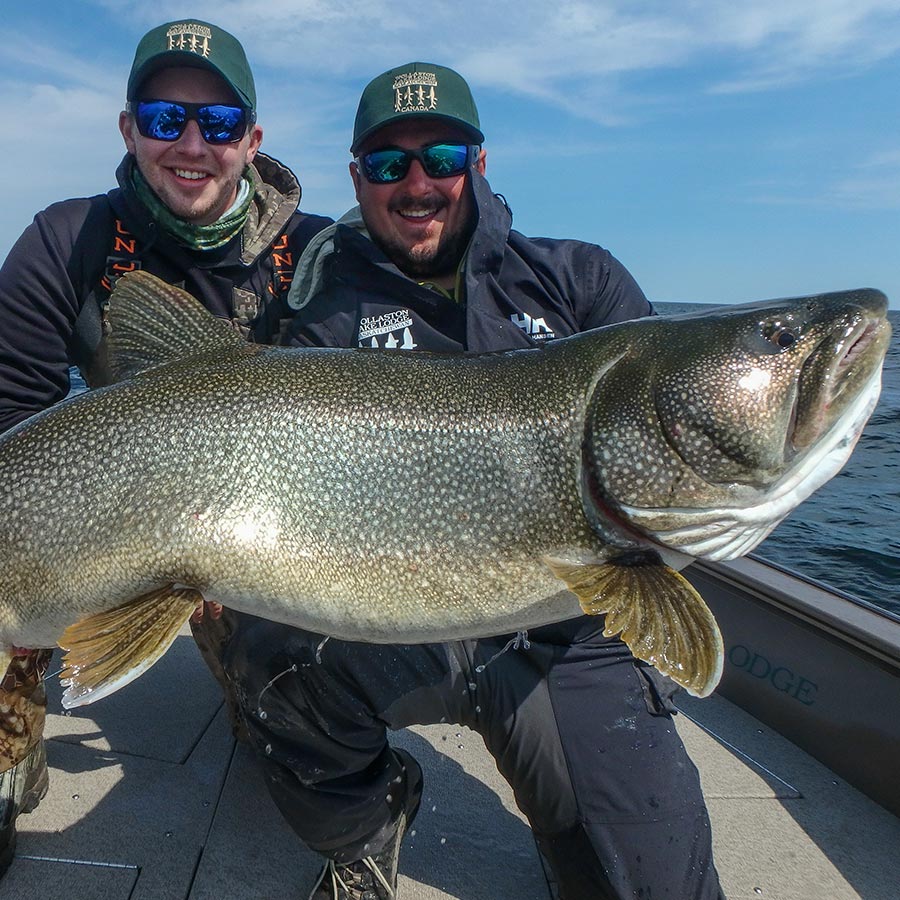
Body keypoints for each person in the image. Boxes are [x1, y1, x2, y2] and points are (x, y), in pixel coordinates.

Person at [195, 63, 725, 899]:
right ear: (357, 179)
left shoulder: (581, 280)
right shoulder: (323, 315)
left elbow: (653, 436)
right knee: (271, 662)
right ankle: (366, 825)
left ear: (478, 164)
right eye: (388, 163)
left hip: (569, 635)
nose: (417, 184)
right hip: (392, 626)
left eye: (440, 157)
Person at [0, 18, 331, 878]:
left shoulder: (319, 256)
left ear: (252, 140)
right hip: (97, 528)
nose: (191, 144)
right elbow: (13, 426)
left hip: (265, 541)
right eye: (163, 118)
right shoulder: (66, 242)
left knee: (307, 714)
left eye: (217, 123)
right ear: (128, 129)